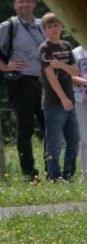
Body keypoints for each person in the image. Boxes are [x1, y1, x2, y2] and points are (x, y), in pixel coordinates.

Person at [0, 0, 47, 181]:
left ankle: (53, 172)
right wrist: (4, 66)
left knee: (50, 128)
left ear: (34, 3)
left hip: (45, 83)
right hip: (21, 82)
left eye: (28, 1)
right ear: (15, 5)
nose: (24, 4)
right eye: (20, 1)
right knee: (25, 129)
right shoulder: (9, 26)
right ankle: (29, 174)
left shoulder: (43, 25)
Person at [38, 13, 82, 180]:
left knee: (74, 141)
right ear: (44, 30)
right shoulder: (45, 49)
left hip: (70, 101)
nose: (53, 29)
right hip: (53, 103)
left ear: (61, 26)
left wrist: (60, 64)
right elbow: (50, 76)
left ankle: (68, 175)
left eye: (56, 25)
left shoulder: (66, 45)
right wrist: (63, 99)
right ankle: (53, 177)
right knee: (54, 143)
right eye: (49, 27)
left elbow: (75, 71)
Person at [74, 44, 87, 181]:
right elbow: (70, 75)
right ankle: (85, 176)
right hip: (79, 100)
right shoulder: (75, 53)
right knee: (84, 140)